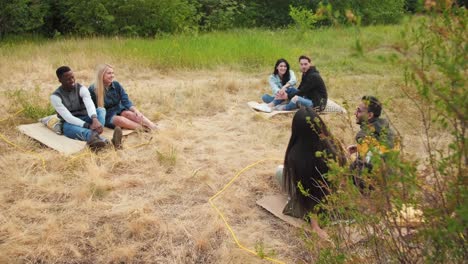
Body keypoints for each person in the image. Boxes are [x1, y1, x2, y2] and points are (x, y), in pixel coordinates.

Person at [281, 107, 346, 240]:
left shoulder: (295, 155)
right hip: (331, 195)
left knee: (279, 172)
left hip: (314, 201)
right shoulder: (333, 143)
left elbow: (311, 193)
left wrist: (315, 226)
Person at [50, 66, 122, 150]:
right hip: (71, 124)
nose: (72, 81)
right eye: (68, 79)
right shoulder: (55, 97)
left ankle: (96, 140)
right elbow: (68, 117)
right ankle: (108, 142)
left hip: (88, 118)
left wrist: (94, 120)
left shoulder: (81, 89)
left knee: (101, 110)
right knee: (68, 128)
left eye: (72, 77)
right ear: (60, 80)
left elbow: (90, 105)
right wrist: (88, 126)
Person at [347, 96, 397, 190]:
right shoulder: (386, 129)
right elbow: (381, 151)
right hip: (393, 182)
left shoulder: (363, 135)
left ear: (369, 115)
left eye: (359, 111)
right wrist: (359, 148)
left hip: (376, 187)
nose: (355, 113)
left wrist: (350, 159)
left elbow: (366, 166)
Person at [89, 64, 157, 131]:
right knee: (121, 120)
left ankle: (153, 127)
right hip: (107, 116)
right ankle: (145, 129)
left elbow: (126, 101)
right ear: (101, 75)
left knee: (129, 114)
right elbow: (90, 108)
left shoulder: (116, 85)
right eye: (109, 73)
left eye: (113, 73)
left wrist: (136, 111)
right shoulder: (93, 89)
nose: (112, 75)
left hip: (119, 109)